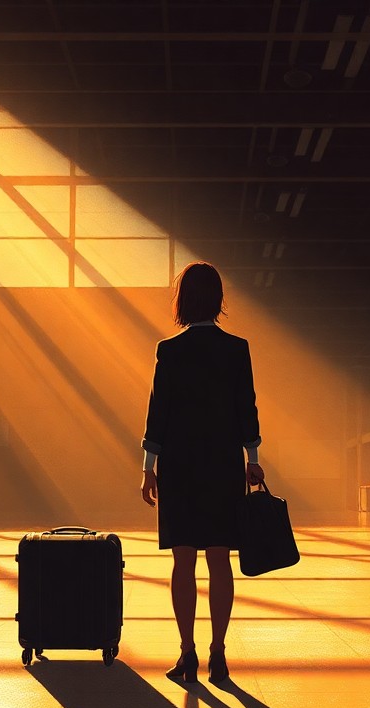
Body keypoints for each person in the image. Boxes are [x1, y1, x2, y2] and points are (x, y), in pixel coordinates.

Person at [140, 261, 264, 684]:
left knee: (183, 562)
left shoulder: (169, 350)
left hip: (179, 467)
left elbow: (159, 411)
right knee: (220, 561)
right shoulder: (237, 349)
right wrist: (252, 458)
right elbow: (246, 407)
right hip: (221, 465)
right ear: (218, 300)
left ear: (182, 300)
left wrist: (148, 468)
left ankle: (187, 653)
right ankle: (219, 654)